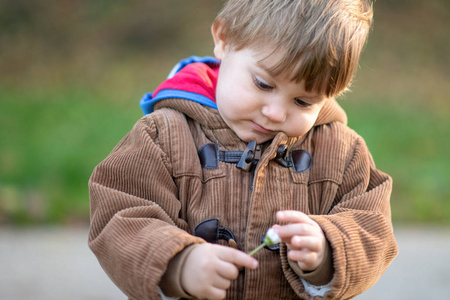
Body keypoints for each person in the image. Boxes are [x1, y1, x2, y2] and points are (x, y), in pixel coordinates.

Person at [88, 0, 398, 299]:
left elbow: (373, 228)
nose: (276, 113)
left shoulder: (342, 152)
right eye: (263, 84)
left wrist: (328, 248)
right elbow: (121, 216)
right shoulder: (161, 136)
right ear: (223, 39)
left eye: (303, 101)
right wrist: (178, 263)